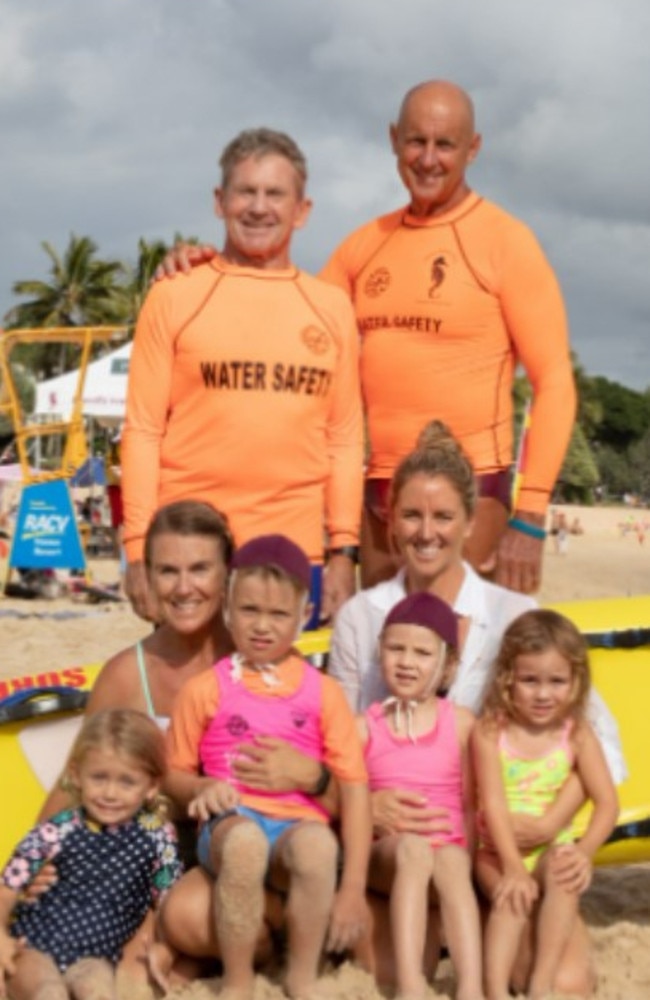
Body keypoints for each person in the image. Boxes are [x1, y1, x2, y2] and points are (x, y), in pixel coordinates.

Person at [156, 81, 575, 595]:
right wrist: (210, 266)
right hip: (378, 493)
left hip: (470, 491)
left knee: (462, 656)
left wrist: (531, 515)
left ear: (473, 148)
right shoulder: (363, 246)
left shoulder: (506, 242)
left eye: (445, 145)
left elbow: (553, 380)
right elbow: (289, 319)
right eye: (415, 141)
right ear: (394, 139)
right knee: (381, 656)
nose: (427, 159)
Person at [328, 421, 625, 993]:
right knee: (389, 972)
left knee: (563, 982)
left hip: (493, 847)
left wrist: (548, 822)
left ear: (469, 523)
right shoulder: (363, 618)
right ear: (391, 521)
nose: (427, 532)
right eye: (411, 515)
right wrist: (367, 800)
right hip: (402, 844)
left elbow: (597, 737)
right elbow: (338, 741)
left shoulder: (514, 612)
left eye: (443, 517)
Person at [121, 127, 364, 625]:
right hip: (192, 550)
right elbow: (143, 430)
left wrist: (344, 550)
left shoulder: (331, 308)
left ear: (302, 210)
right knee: (192, 702)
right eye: (245, 191)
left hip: (294, 554)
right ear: (220, 201)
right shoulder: (175, 293)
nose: (259, 208)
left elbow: (343, 440)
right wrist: (137, 548)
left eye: (275, 194)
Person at [162, 534, 371, 1000]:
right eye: (250, 610)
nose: (262, 626)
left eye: (278, 614)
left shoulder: (323, 692)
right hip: (231, 824)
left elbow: (354, 787)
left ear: (302, 616)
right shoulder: (205, 688)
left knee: (318, 847)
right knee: (244, 843)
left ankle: (302, 976)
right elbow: (172, 773)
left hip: (296, 827)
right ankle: (238, 983)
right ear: (228, 609)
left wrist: (353, 885)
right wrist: (201, 785)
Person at [472, 610, 619, 999]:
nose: (542, 694)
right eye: (529, 680)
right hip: (495, 852)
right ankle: (494, 989)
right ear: (507, 678)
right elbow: (493, 804)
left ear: (575, 682)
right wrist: (513, 866)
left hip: (551, 847)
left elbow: (607, 803)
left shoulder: (577, 734)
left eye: (557, 681)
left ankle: (542, 982)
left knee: (563, 871)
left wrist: (584, 852)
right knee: (512, 897)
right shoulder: (490, 732)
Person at [0, 709, 182, 1000]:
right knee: (49, 992)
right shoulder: (60, 828)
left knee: (97, 990)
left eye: (126, 782)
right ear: (76, 775)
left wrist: (166, 946)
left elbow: (168, 901)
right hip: (34, 944)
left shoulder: (158, 836)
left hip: (96, 956)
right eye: (99, 777)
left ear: (151, 786)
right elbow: (9, 884)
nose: (110, 793)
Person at [361, 592, 484, 1000]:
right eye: (396, 648)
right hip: (389, 857)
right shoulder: (366, 727)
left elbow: (470, 803)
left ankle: (470, 985)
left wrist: (468, 857)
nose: (407, 661)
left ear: (447, 665)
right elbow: (350, 803)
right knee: (413, 850)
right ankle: (411, 985)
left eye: (422, 653)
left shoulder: (461, 724)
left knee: (450, 858)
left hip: (444, 856)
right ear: (380, 652)